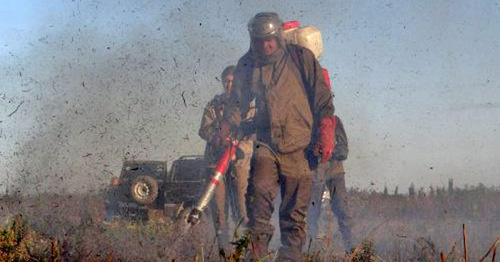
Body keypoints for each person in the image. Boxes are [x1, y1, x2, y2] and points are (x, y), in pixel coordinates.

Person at [220, 12, 335, 261]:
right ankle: (257, 255)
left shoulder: (301, 57)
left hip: (301, 146)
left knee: (294, 215)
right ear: (253, 40)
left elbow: (322, 98)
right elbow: (237, 102)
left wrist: (326, 128)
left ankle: (289, 258)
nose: (266, 45)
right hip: (267, 144)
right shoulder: (248, 64)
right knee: (259, 197)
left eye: (270, 40)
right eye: (260, 41)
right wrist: (229, 125)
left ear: (279, 37)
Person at [198, 65, 254, 255]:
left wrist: (239, 142)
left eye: (233, 81)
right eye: (226, 81)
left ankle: (245, 253)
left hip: (240, 163)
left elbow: (255, 132)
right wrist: (217, 134)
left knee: (242, 209)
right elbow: (203, 129)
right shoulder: (214, 105)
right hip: (216, 162)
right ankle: (224, 254)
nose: (229, 85)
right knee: (220, 214)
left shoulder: (248, 104)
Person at [307, 115, 354, 252]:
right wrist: (313, 151)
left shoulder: (335, 121)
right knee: (312, 212)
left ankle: (350, 249)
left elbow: (343, 150)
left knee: (342, 209)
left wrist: (329, 152)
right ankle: (310, 250)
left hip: (335, 170)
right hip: (315, 170)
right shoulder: (308, 120)